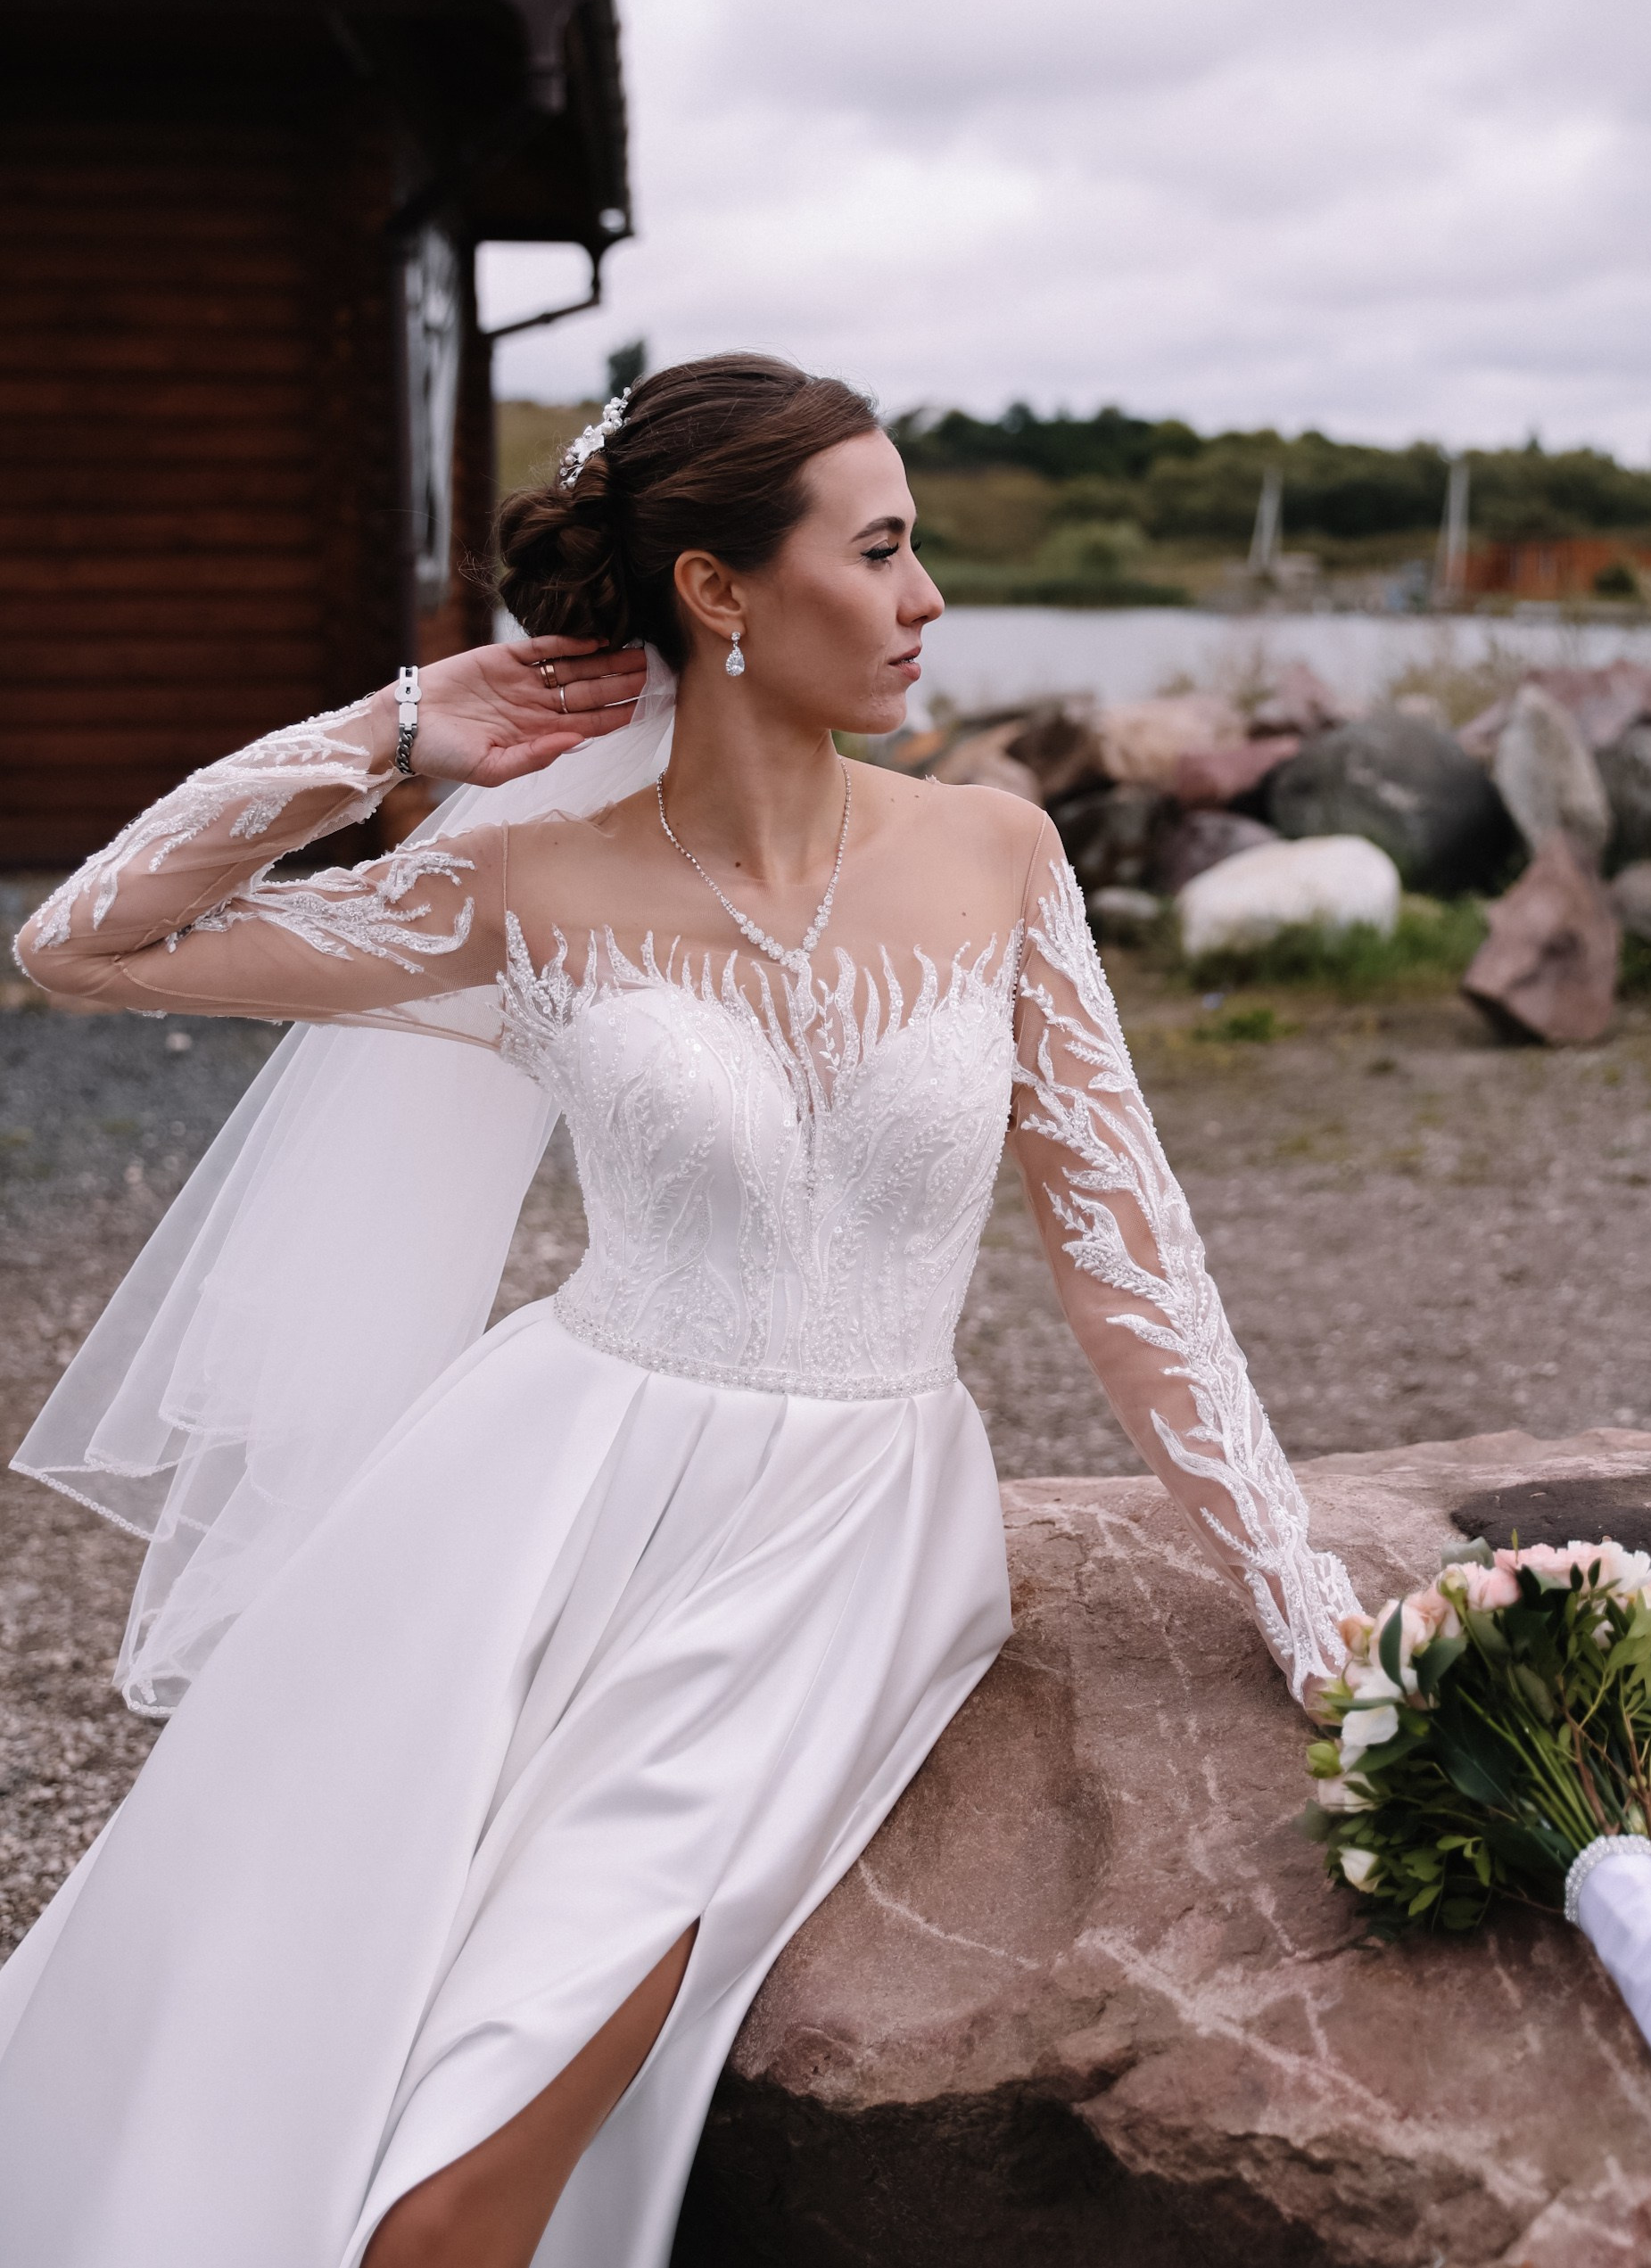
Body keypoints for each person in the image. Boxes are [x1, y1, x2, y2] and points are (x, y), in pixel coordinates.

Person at [0, 353, 1360, 2267]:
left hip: (840, 1533)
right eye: (879, 549)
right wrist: (400, 721)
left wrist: (1313, 1610)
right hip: (527, 1507)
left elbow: (1131, 1259)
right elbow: (76, 944)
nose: (925, 600)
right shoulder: (523, 881)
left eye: (919, 550)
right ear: (719, 590)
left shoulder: (997, 853)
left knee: (454, 2179)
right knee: (271, 2039)